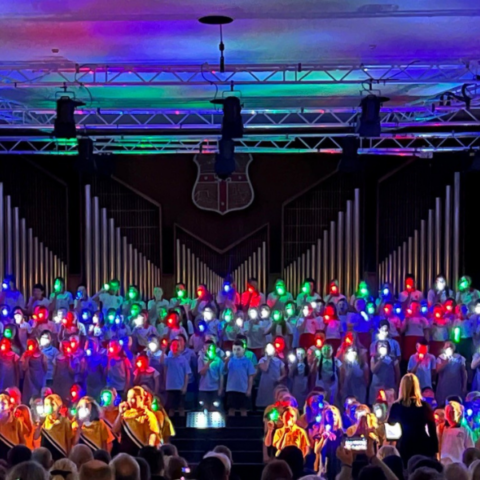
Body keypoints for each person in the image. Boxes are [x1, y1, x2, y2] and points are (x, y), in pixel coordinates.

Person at [387, 373, 438, 465]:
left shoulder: (397, 406)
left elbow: (390, 425)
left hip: (405, 444)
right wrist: (435, 450)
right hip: (423, 444)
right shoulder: (425, 406)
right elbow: (432, 430)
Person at [113, 387, 160, 455]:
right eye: (129, 398)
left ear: (141, 398)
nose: (130, 401)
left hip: (139, 454)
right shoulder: (125, 414)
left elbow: (151, 438)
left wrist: (147, 454)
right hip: (125, 455)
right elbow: (115, 430)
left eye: (134, 398)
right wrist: (120, 414)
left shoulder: (148, 416)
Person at [35, 394, 72, 461]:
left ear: (58, 407)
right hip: (45, 455)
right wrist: (40, 424)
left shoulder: (65, 421)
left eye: (52, 404)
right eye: (46, 404)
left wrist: (68, 457)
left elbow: (68, 441)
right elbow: (35, 437)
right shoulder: (44, 419)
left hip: (60, 454)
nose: (48, 406)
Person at [225, 340, 256, 416]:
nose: (236, 352)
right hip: (231, 388)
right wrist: (226, 362)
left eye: (238, 349)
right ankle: (231, 425)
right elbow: (225, 371)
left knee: (243, 409)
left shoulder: (248, 361)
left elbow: (250, 376)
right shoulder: (230, 360)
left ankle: (243, 425)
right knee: (231, 408)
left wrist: (249, 389)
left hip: (243, 389)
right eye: (234, 349)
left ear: (243, 349)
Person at [435, 342, 467, 407]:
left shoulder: (460, 358)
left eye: (450, 346)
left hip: (456, 388)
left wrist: (464, 386)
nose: (448, 348)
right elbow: (437, 370)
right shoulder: (440, 358)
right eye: (446, 347)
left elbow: (464, 373)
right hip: (443, 388)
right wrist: (446, 361)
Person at [256, 343, 286, 408]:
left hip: (275, 384)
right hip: (265, 383)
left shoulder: (279, 361)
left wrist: (279, 378)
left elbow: (284, 373)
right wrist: (268, 359)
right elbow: (265, 369)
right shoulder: (262, 360)